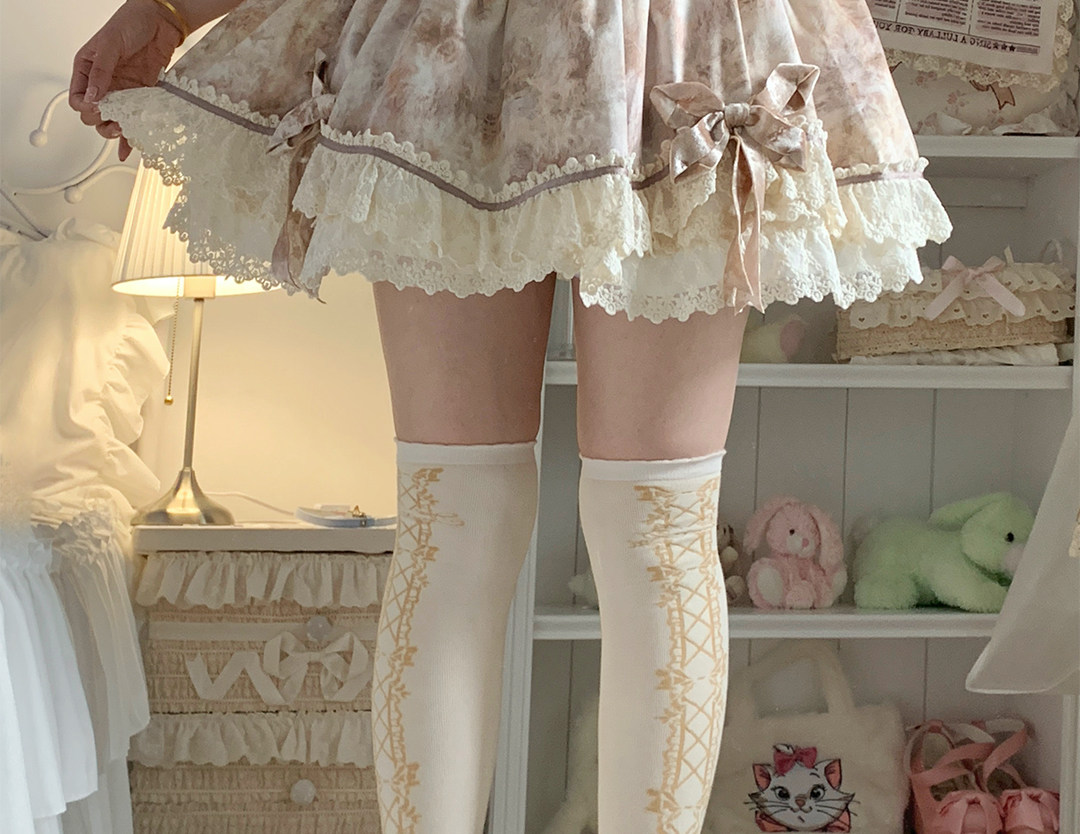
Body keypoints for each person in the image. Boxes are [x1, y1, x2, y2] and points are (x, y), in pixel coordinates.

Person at [69, 1, 951, 832]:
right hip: (645, 35)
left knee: (481, 523)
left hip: (498, 40)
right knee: (630, 530)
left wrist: (172, 10)